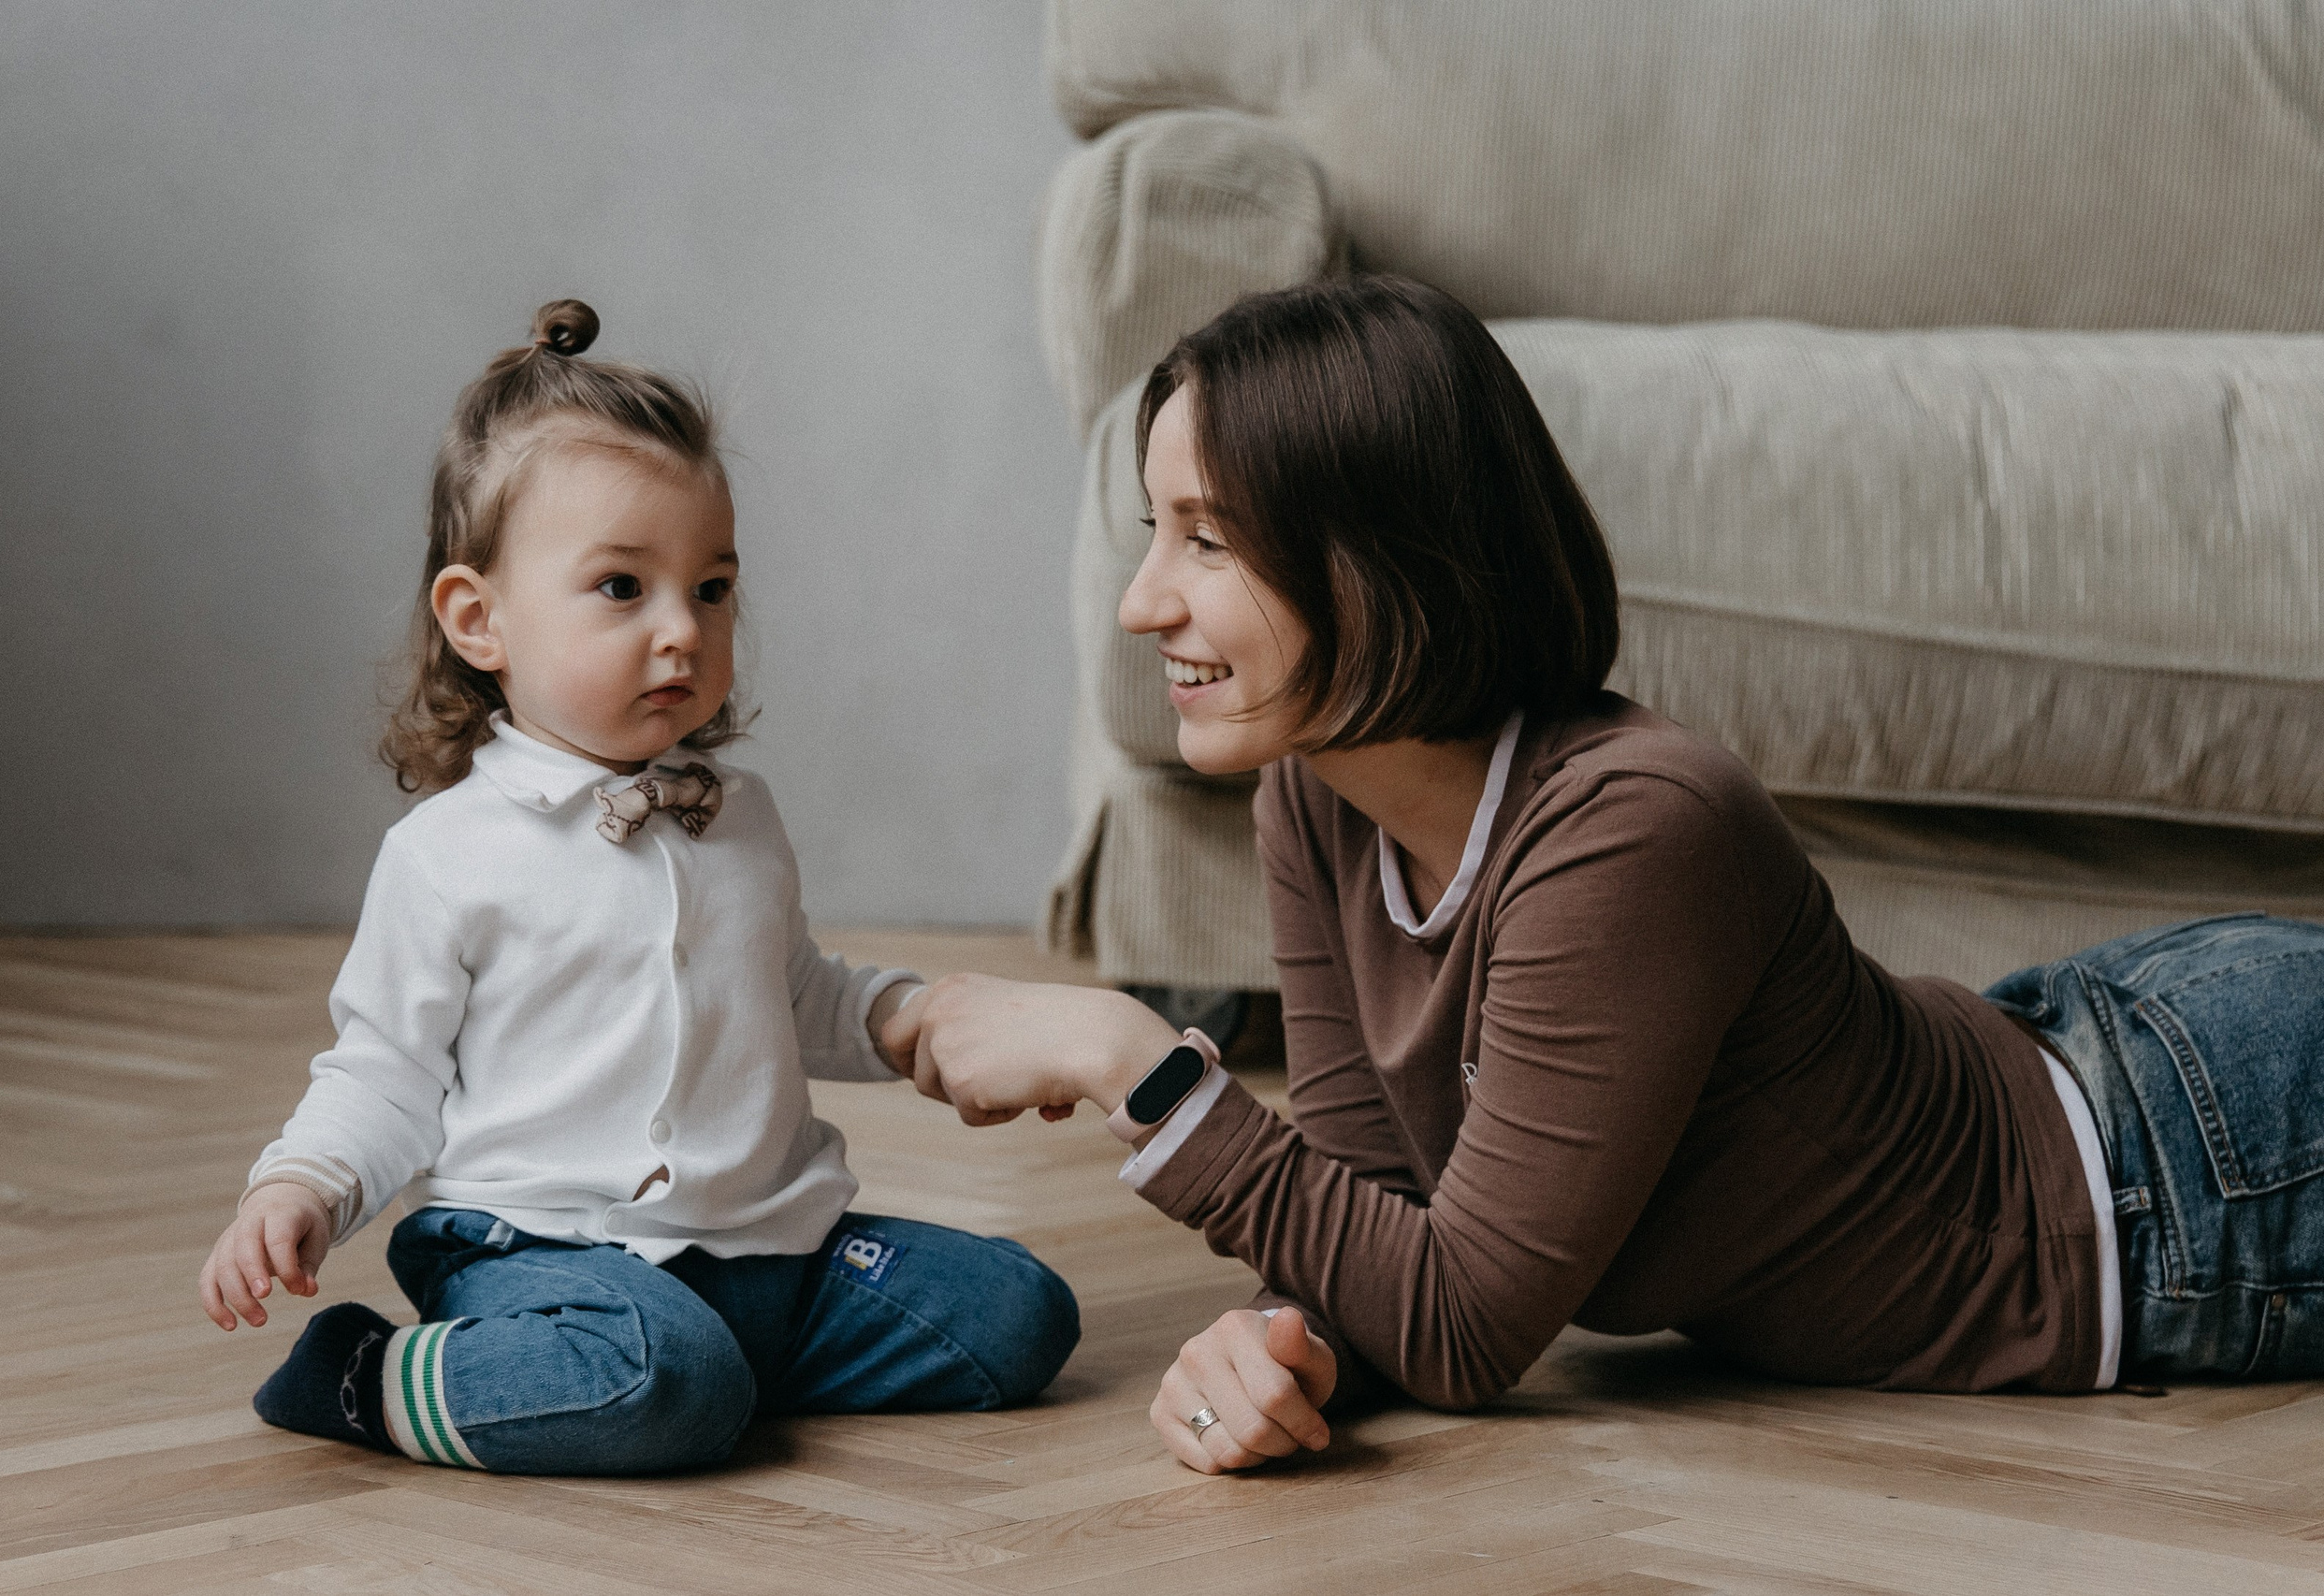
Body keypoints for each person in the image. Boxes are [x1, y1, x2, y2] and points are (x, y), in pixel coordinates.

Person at [880, 274, 2324, 1475]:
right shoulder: (1315, 793)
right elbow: (1366, 1194)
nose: (1144, 600)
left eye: (1206, 536)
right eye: (1155, 530)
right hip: (2103, 1044)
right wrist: (1289, 1338)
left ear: (1382, 560)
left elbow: (1463, 1328)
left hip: (2199, 1181)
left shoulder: (1637, 826)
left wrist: (1134, 1058)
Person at [196, 300, 1077, 1474]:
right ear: (480, 618)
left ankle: (660, 1373)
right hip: (542, 1244)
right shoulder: (448, 852)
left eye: (711, 588)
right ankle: (373, 1375)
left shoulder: (741, 815)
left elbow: (794, 991)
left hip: (771, 1244)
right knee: (667, 1370)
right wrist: (300, 1183)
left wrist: (910, 1018)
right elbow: (384, 1070)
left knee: (1017, 1310)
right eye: (623, 587)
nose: (683, 631)